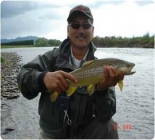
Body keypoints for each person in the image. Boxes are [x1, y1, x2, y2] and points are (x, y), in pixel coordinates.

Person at [17, 5, 124, 139]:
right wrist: (42, 79)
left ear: (92, 30)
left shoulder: (103, 68)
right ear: (68, 30)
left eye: (86, 26)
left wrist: (102, 90)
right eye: (75, 25)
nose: (81, 30)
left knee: (109, 127)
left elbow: (105, 115)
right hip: (52, 135)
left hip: (84, 133)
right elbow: (22, 77)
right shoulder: (51, 59)